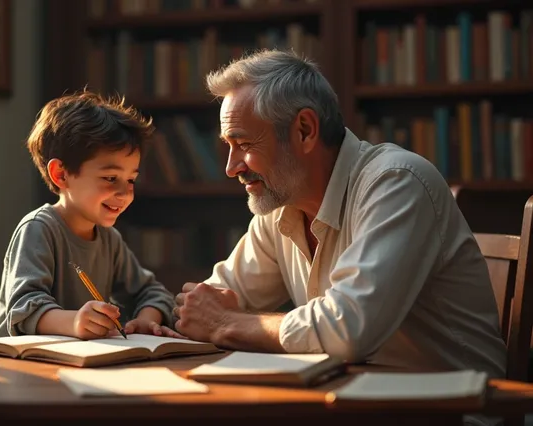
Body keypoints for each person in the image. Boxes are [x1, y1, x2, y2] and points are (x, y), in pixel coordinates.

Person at [173, 49, 507, 380]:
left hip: (457, 410)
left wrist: (225, 323)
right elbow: (212, 300)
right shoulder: (280, 206)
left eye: (243, 144)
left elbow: (348, 329)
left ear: (304, 130)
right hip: (356, 401)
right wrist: (161, 317)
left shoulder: (397, 183)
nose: (231, 168)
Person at [0, 91, 180, 340]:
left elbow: (152, 292)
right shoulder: (39, 229)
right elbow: (24, 307)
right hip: (14, 364)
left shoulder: (109, 239)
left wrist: (145, 320)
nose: (125, 193)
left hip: (70, 362)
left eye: (131, 179)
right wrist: (75, 321)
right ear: (61, 174)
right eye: (111, 178)